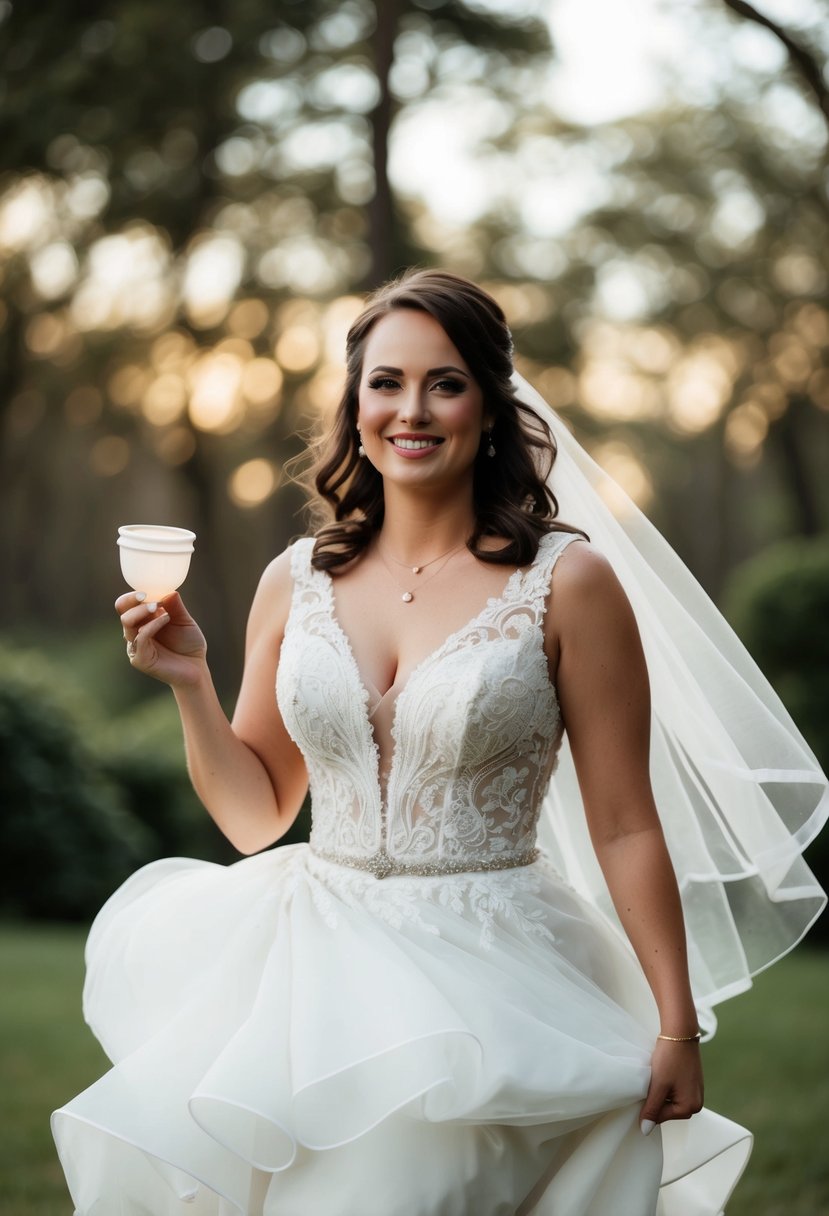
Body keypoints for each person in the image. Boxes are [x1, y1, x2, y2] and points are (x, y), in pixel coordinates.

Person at [53, 270, 825, 1216]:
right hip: (309, 970)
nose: (409, 410)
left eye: (444, 383)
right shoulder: (294, 579)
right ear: (354, 403)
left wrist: (675, 1024)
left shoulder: (569, 582)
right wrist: (190, 687)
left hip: (489, 976)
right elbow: (256, 817)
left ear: (491, 407)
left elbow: (624, 825)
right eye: (385, 382)